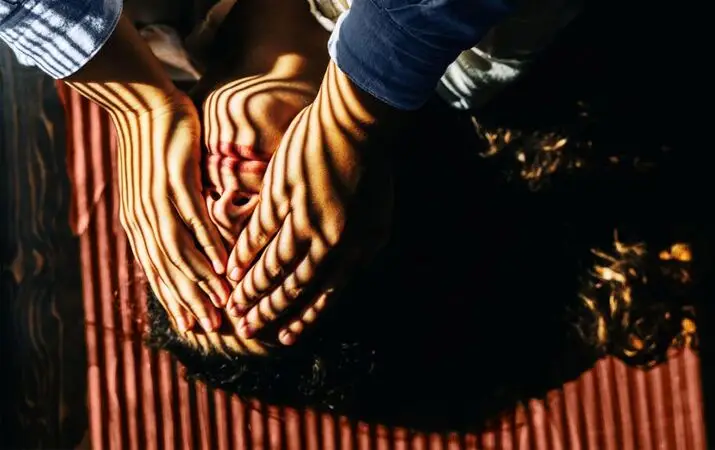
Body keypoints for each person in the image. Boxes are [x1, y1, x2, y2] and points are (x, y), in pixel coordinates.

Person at [0, 0, 581, 345]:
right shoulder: (478, 52)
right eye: (275, 256)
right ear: (370, 214)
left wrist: (135, 99)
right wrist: (354, 114)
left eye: (194, 247)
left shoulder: (129, 23)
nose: (227, 212)